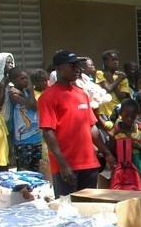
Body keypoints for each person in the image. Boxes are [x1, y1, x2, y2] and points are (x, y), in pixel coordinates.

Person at [39, 50, 115, 196]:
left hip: (89, 164)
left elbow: (91, 127)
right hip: (66, 166)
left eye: (77, 65)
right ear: (59, 68)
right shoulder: (48, 97)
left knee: (88, 209)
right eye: (72, 65)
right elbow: (48, 132)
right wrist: (63, 164)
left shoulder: (81, 94)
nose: (77, 69)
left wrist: (106, 153)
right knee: (68, 212)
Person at [7, 67, 42, 172]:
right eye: (22, 78)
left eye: (27, 78)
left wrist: (26, 93)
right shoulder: (12, 94)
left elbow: (36, 106)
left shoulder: (25, 92)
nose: (26, 81)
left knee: (37, 170)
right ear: (13, 81)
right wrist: (31, 92)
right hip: (22, 141)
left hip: (36, 138)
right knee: (25, 171)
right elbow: (32, 105)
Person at [96, 50, 130, 119]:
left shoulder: (122, 77)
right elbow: (107, 90)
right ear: (105, 62)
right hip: (104, 112)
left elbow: (122, 98)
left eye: (117, 60)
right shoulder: (100, 73)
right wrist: (118, 79)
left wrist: (113, 80)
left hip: (118, 112)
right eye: (113, 60)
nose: (116, 62)